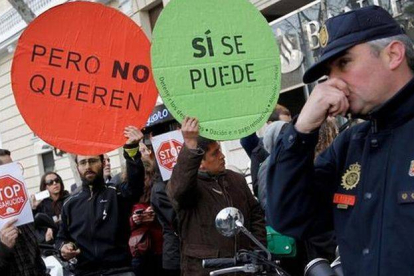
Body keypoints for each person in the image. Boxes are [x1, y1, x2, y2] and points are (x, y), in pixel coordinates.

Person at [266, 6, 414, 276]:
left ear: (393, 54)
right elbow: (288, 216)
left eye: (344, 63)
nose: (333, 83)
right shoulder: (350, 144)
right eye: (328, 72)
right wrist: (301, 131)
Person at [167, 117, 266, 276]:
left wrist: (257, 250)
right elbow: (180, 189)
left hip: (243, 268)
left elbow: (255, 214)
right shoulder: (187, 186)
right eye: (215, 153)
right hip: (206, 270)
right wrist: (190, 146)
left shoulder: (236, 179)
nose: (222, 156)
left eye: (219, 150)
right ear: (200, 163)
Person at [56, 126, 145, 275]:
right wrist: (63, 248)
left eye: (92, 161)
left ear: (103, 163)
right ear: (77, 168)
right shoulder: (69, 204)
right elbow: (61, 238)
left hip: (119, 270)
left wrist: (132, 150)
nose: (88, 166)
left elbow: (135, 185)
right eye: (83, 163)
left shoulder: (116, 193)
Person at [0, 149, 47, 276]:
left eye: (15, 167)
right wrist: (3, 248)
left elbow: (36, 259)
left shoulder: (23, 212)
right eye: (9, 168)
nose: (16, 173)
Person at [240, 104, 292, 196]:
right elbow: (246, 139)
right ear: (270, 124)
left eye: (289, 124)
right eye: (283, 125)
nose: (289, 129)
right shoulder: (260, 148)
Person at [129, 158, 164, 276]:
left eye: (144, 177)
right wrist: (134, 220)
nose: (143, 181)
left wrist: (156, 216)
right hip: (140, 253)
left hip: (160, 250)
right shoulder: (129, 195)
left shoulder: (158, 192)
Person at [32, 171, 70, 243]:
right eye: (50, 182)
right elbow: (34, 227)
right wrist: (34, 207)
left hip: (69, 239)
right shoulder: (41, 204)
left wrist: (52, 227)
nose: (55, 183)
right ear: (45, 186)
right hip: (52, 244)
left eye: (57, 180)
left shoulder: (68, 199)